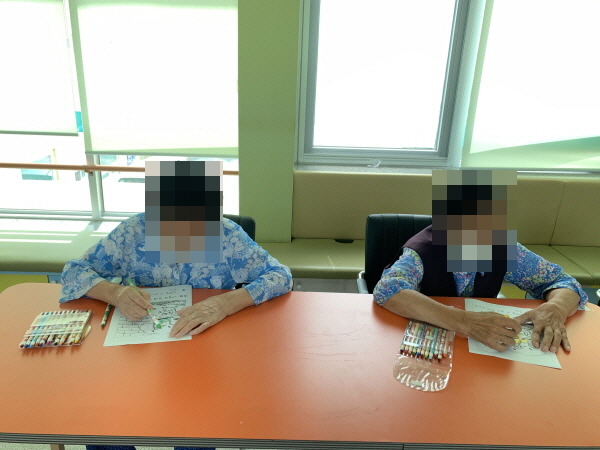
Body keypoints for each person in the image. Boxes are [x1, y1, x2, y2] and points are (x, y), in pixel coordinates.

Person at [60, 212, 293, 450]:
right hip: (139, 355)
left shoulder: (226, 234)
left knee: (194, 431)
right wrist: (116, 293)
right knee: (103, 426)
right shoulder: (133, 231)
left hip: (202, 357)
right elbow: (73, 272)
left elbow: (280, 276)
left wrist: (224, 304)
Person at [374, 170, 588, 354]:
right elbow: (388, 289)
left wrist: (556, 307)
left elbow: (563, 282)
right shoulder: (421, 251)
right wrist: (466, 322)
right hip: (427, 339)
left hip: (484, 346)